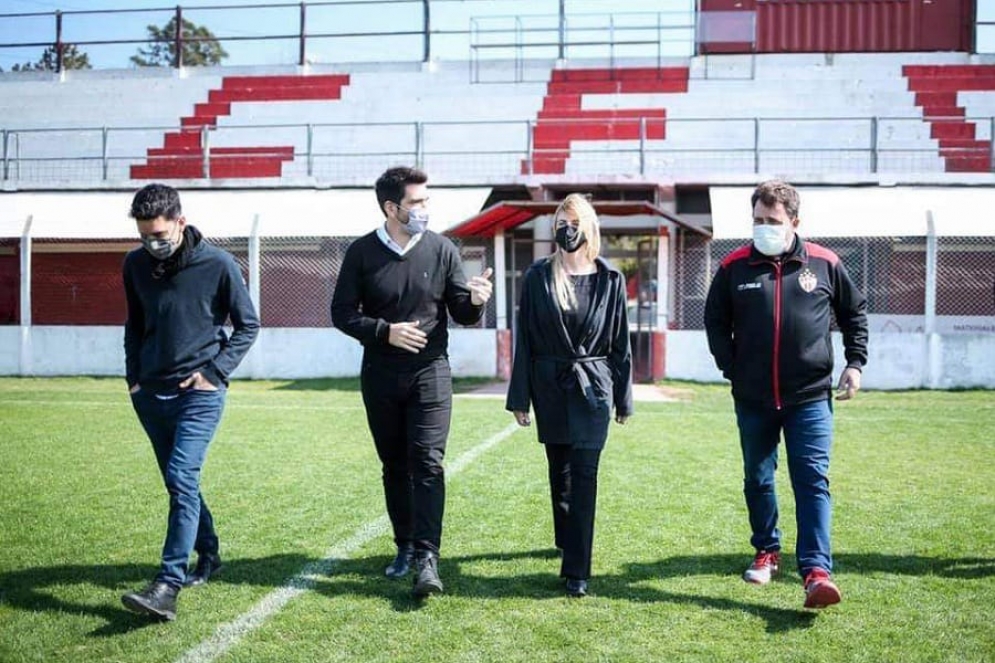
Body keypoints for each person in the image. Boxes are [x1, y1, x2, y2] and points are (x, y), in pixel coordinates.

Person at [703, 179, 868, 609]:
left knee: (811, 480)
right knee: (758, 479)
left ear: (794, 221)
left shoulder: (826, 263)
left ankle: (816, 572)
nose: (763, 227)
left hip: (810, 397)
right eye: (757, 219)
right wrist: (731, 365)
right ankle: (767, 551)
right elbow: (715, 321)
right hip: (753, 398)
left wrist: (854, 363)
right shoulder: (733, 267)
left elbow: (854, 314)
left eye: (772, 220)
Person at [331, 166, 493, 597]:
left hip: (431, 372)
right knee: (394, 466)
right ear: (391, 207)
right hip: (381, 375)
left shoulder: (442, 249)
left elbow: (461, 310)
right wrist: (386, 331)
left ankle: (427, 557)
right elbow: (342, 313)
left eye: (426, 200)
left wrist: (475, 302)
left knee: (427, 462)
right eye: (417, 202)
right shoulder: (361, 253)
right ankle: (403, 545)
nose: (425, 208)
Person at [120, 183, 259, 621]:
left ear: (180, 222)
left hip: (199, 395)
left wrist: (214, 374)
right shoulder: (135, 265)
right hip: (150, 393)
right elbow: (134, 324)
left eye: (159, 235)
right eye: (145, 236)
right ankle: (210, 554)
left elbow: (248, 325)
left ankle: (168, 583)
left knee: (181, 475)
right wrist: (134, 380)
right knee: (179, 483)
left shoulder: (217, 265)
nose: (152, 244)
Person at [506, 193, 633, 598]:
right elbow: (524, 341)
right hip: (549, 386)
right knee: (559, 474)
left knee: (585, 477)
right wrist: (519, 398)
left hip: (594, 388)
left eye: (575, 221)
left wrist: (623, 398)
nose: (567, 228)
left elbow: (620, 345)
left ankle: (577, 569)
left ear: (589, 227)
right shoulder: (538, 276)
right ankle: (566, 538)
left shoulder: (610, 280)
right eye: (561, 221)